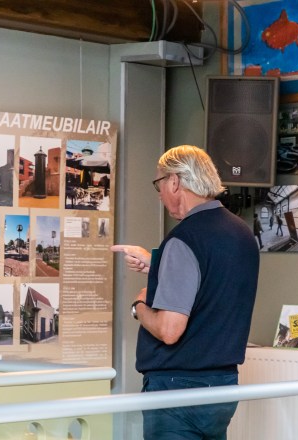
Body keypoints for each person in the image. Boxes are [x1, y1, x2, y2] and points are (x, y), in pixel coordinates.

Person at [111, 145, 260, 440]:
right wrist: (158, 265)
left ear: (175, 181)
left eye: (159, 184)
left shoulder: (184, 238)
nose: (159, 194)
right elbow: (212, 282)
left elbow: (170, 330)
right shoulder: (241, 233)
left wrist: (139, 306)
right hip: (223, 385)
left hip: (177, 389)